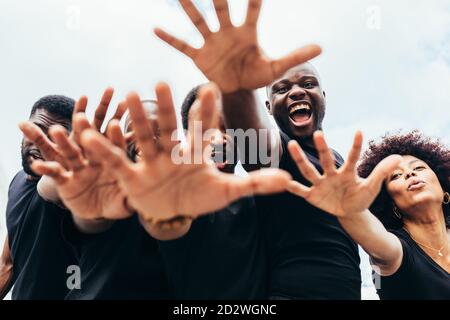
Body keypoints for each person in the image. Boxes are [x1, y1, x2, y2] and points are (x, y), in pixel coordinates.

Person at [155, 0, 361, 299]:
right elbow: (258, 143)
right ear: (267, 107)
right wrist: (234, 87)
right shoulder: (279, 154)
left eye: (308, 83)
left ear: (323, 95)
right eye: (281, 88)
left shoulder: (335, 162)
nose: (297, 91)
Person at [28, 83, 291, 299]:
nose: (219, 138)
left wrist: (241, 82)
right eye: (207, 130)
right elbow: (51, 190)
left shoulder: (257, 202)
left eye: (228, 129)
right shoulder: (130, 191)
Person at [21, 90, 171, 299]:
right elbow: (47, 189)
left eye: (159, 132)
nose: (147, 139)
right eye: (136, 131)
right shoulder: (104, 182)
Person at [285, 130, 450, 299]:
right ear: (391, 203)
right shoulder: (395, 250)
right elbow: (377, 245)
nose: (410, 173)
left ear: (444, 187)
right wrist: (350, 210)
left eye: (419, 167)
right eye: (396, 176)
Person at [149, 85, 269, 299]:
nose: (218, 139)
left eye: (228, 128)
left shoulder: (263, 201)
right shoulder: (178, 197)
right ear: (187, 138)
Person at [1, 95, 78, 299]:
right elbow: (8, 264)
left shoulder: (68, 187)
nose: (40, 144)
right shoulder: (16, 183)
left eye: (55, 139)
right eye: (37, 131)